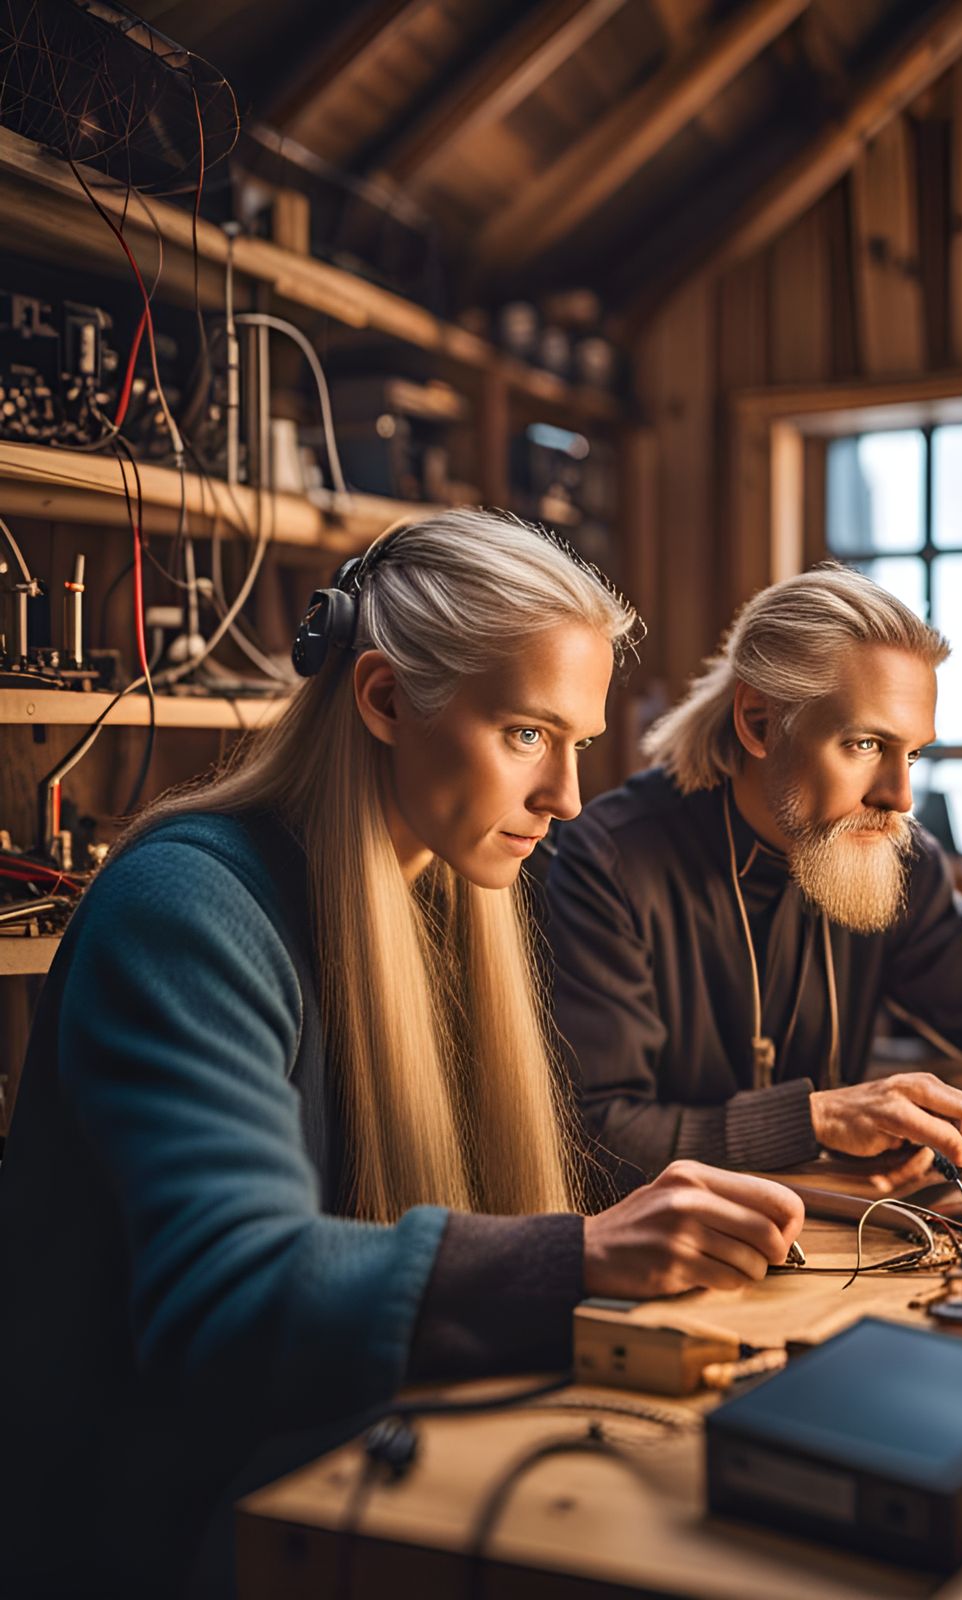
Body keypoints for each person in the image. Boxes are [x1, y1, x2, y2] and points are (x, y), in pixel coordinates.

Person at [0, 511, 803, 1597]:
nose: (566, 797)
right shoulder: (186, 907)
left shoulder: (445, 895)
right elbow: (232, 1292)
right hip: (163, 1546)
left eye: (577, 743)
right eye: (527, 733)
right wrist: (578, 1257)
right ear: (382, 698)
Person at [544, 564, 962, 1194]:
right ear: (759, 723)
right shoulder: (608, 860)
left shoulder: (900, 854)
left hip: (843, 1230)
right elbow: (594, 1136)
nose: (900, 797)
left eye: (914, 754)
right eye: (865, 745)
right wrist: (815, 1119)